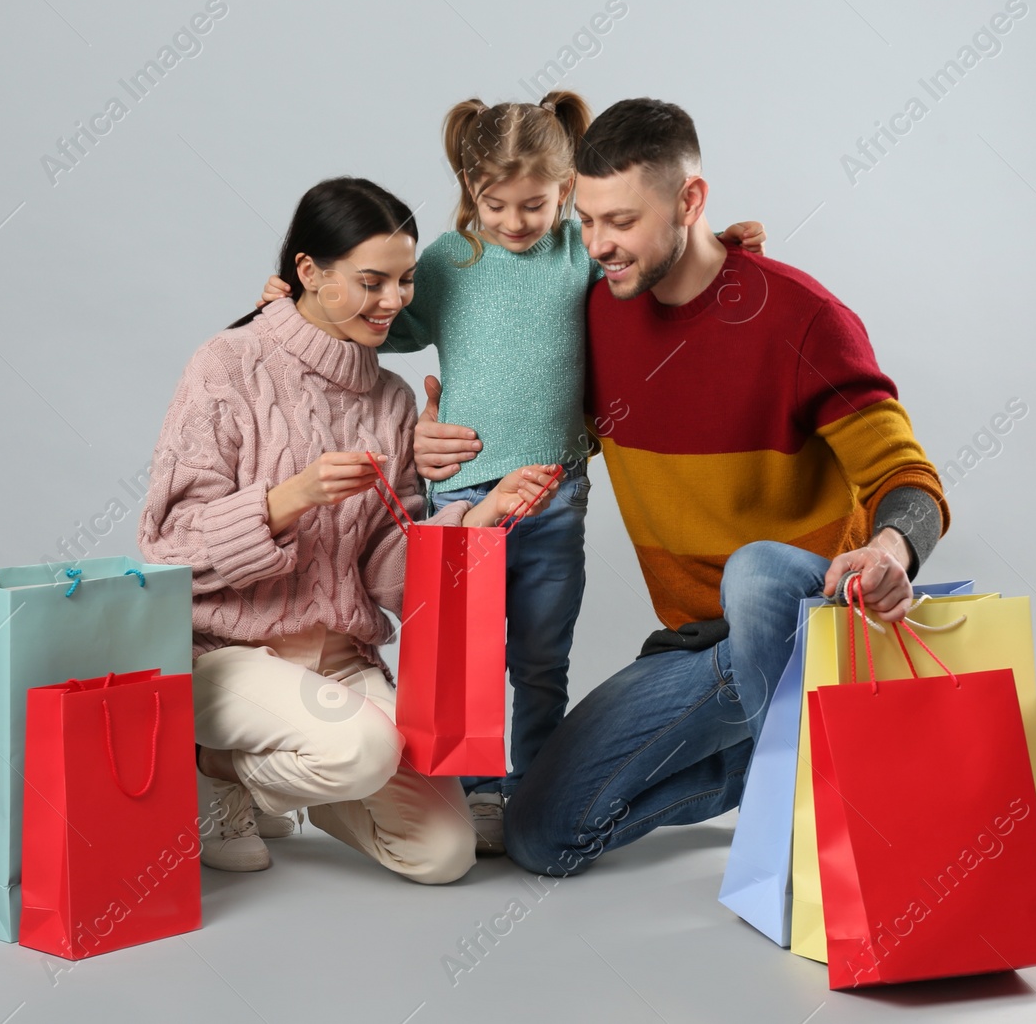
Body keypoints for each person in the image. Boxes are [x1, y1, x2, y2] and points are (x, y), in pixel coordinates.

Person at [414, 98, 950, 877]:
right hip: (699, 651)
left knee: (757, 572)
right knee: (540, 836)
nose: (597, 244)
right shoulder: (597, 313)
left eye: (622, 223)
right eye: (587, 220)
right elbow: (527, 409)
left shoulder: (801, 317)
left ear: (691, 201)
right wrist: (433, 445)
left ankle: (818, 815)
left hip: (812, 622)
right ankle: (753, 763)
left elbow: (910, 479)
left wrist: (893, 547)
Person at [257, 92, 767, 856]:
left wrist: (721, 245)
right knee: (463, 655)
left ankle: (534, 785)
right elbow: (382, 324)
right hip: (463, 495)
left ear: (566, 190)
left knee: (539, 656)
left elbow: (647, 284)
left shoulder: (577, 253)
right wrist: (299, 307)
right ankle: (471, 795)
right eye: (494, 204)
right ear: (471, 194)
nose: (514, 222)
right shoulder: (449, 262)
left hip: (554, 496)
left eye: (534, 204)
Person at [137, 176, 558, 881]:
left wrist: (481, 517)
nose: (394, 301)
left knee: (444, 854)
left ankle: (288, 778)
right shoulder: (226, 364)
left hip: (341, 665)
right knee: (363, 748)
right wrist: (286, 499)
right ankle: (209, 766)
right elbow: (169, 542)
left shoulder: (392, 401)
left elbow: (390, 576)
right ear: (309, 270)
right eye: (372, 281)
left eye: (403, 281)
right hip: (226, 656)